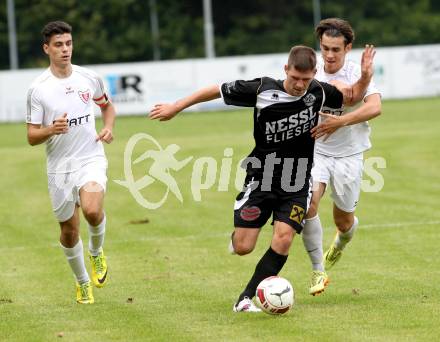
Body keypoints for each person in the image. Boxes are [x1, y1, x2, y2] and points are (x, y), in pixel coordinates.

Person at [149, 44, 375, 312]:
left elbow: (352, 97)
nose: (300, 85)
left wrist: (365, 76)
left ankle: (245, 298)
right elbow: (216, 89)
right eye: (294, 78)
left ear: (314, 74)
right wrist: (176, 107)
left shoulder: (318, 91)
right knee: (244, 247)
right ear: (285, 70)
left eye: (305, 79)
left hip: (297, 180)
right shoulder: (263, 90)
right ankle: (237, 240)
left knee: (283, 238)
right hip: (262, 177)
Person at [26, 21, 116, 304]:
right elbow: (31, 136)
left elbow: (107, 107)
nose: (65, 50)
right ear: (47, 49)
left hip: (90, 156)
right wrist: (51, 129)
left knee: (91, 210)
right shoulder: (38, 89)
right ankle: (82, 282)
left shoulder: (89, 78)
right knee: (68, 230)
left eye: (68, 43)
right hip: (59, 167)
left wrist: (109, 127)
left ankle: (96, 252)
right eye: (58, 45)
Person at [301, 18, 382, 296]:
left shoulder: (358, 73)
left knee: (344, 223)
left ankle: (340, 243)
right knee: (308, 203)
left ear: (348, 48)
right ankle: (317, 270)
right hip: (317, 152)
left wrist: (341, 121)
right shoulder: (310, 72)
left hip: (349, 155)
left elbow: (374, 107)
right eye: (325, 48)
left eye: (336, 49)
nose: (330, 55)